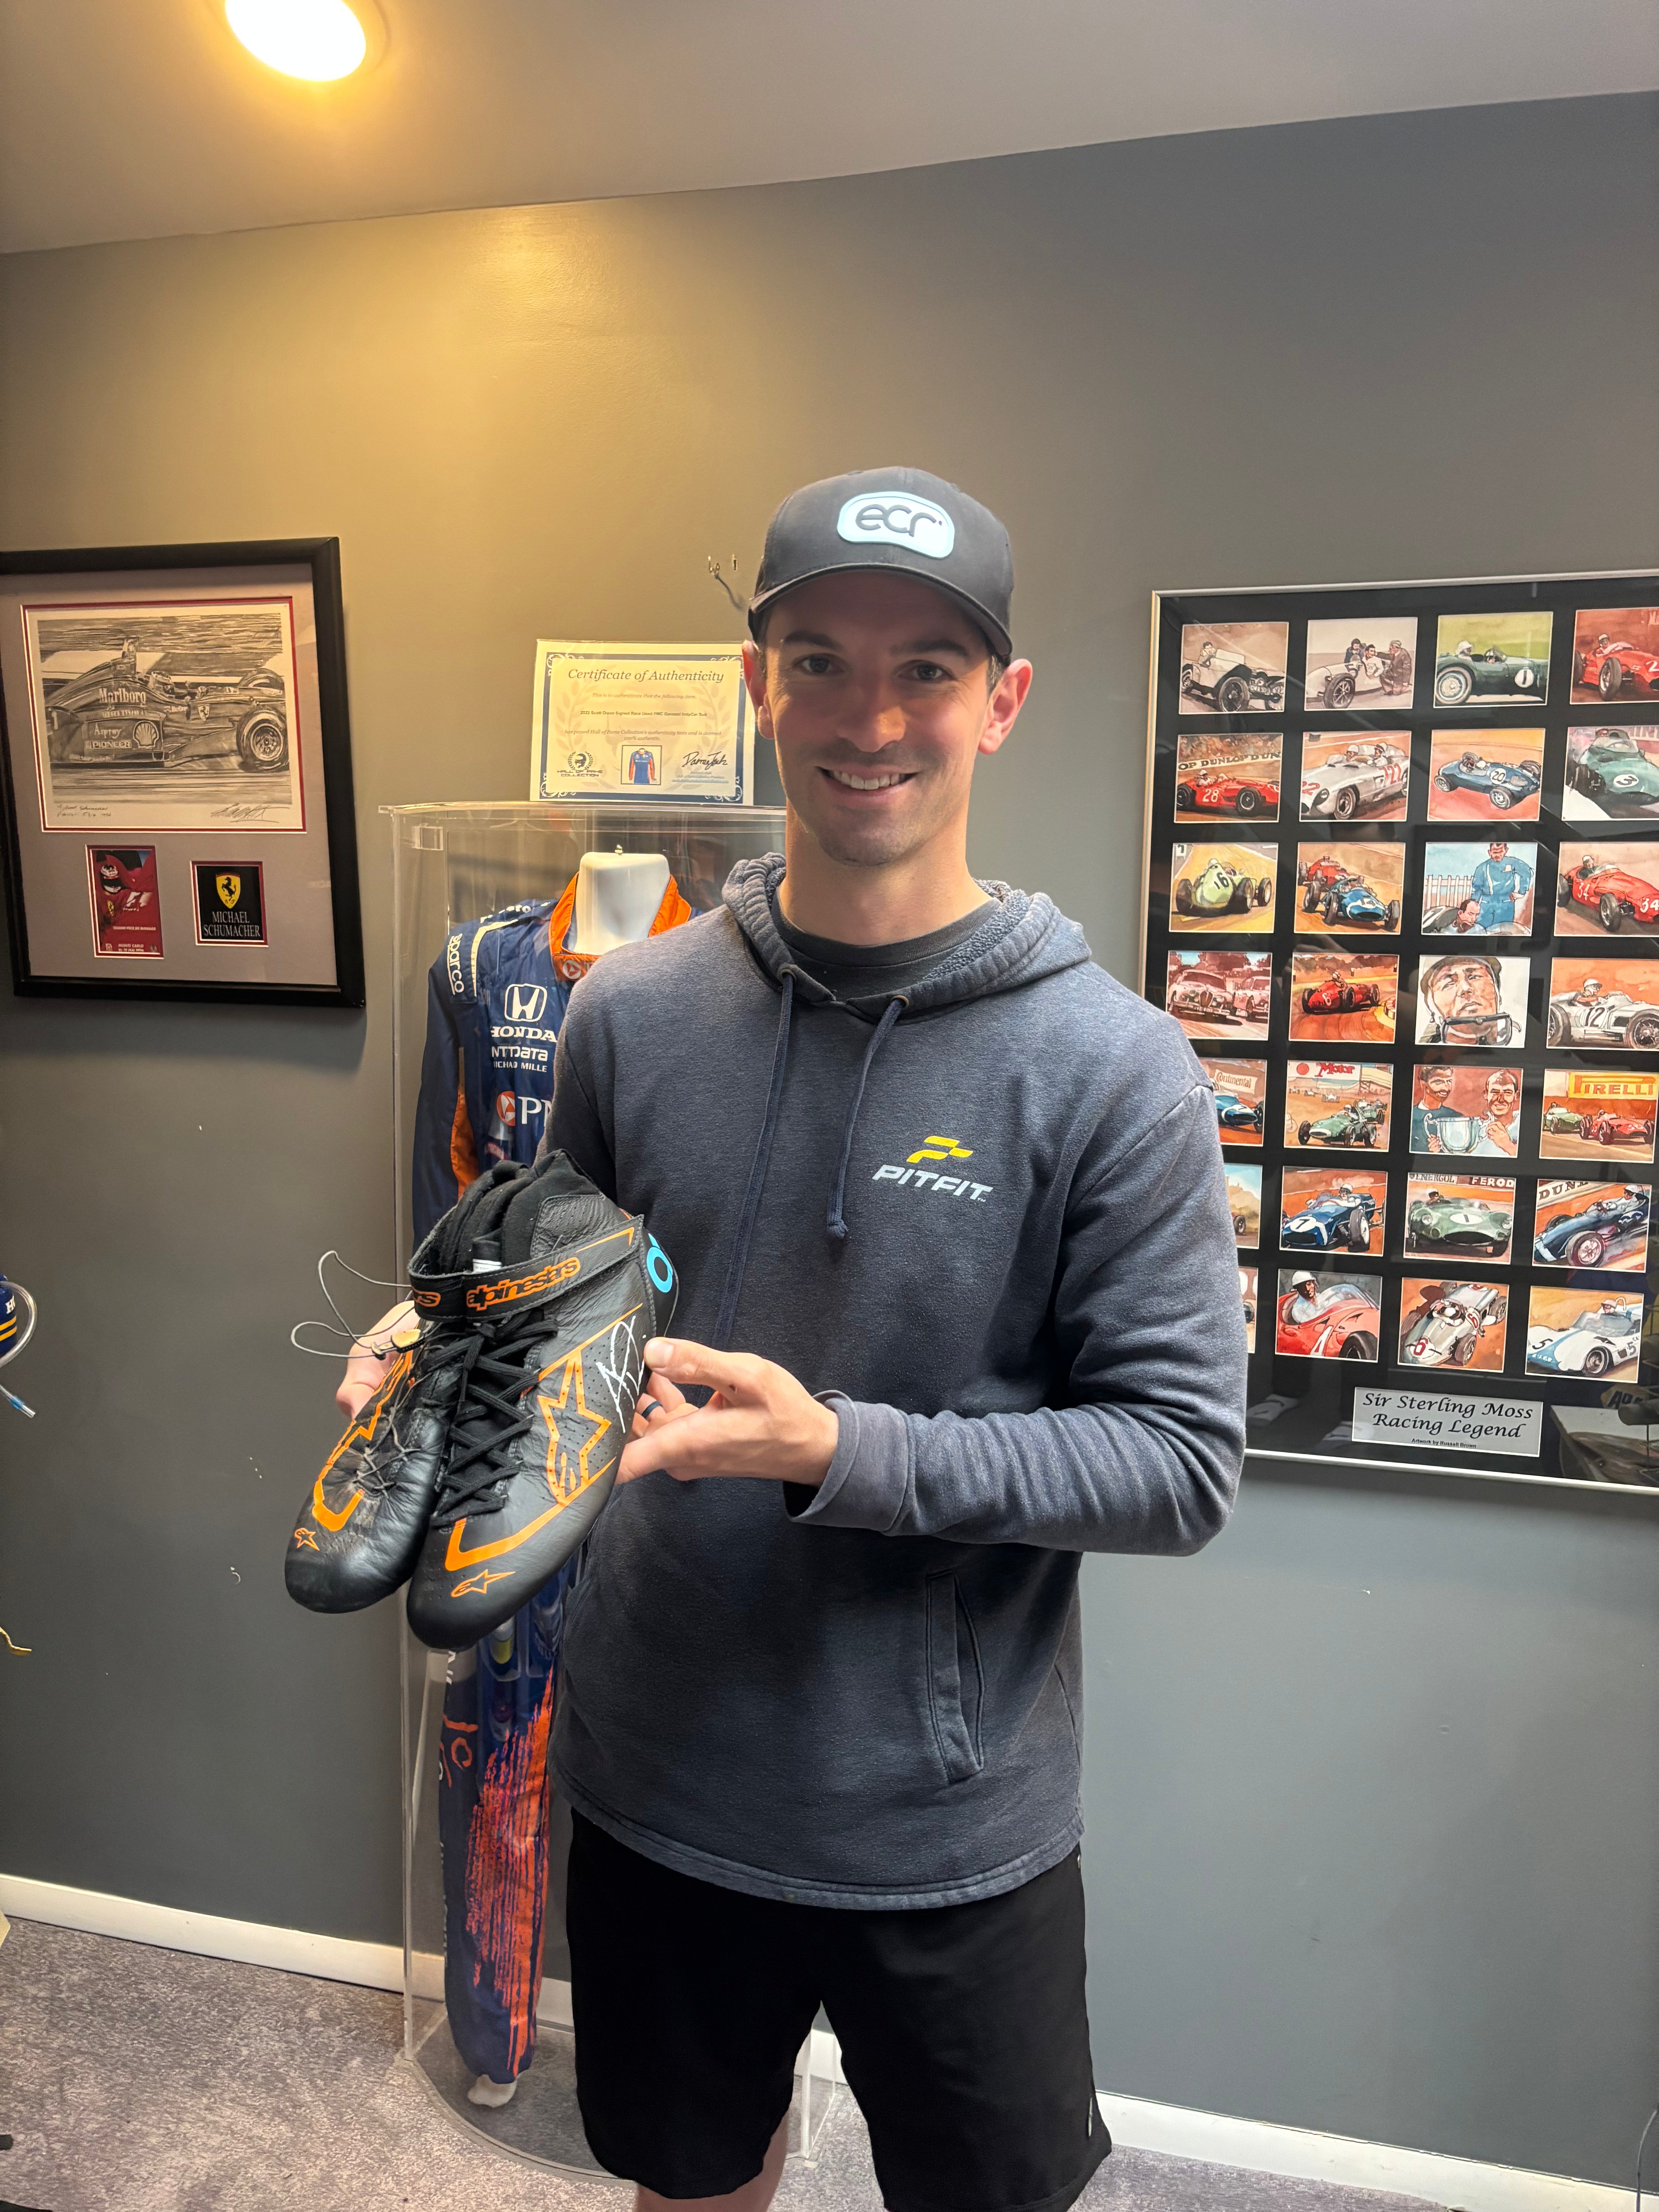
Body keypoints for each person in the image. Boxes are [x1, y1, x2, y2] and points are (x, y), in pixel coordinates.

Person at [532, 467, 1246, 2211]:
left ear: (1000, 701)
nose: (869, 719)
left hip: (948, 1817)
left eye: (926, 667)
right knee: (689, 2181)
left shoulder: (1113, 1067)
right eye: (820, 661)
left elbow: (1176, 1465)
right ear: (758, 685)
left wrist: (836, 1450)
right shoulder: (628, 1011)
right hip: (661, 1767)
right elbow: (568, 1306)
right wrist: (446, 1347)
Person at [1468, 839, 1533, 931]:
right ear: (1490, 853)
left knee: (1505, 931)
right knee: (1481, 930)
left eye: (1501, 852)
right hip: (1487, 904)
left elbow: (1526, 871)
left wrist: (1522, 892)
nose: (1498, 855)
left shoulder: (1511, 863)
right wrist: (1474, 903)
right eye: (1495, 852)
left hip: (1506, 903)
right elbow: (1477, 888)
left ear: (1506, 851)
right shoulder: (1482, 868)